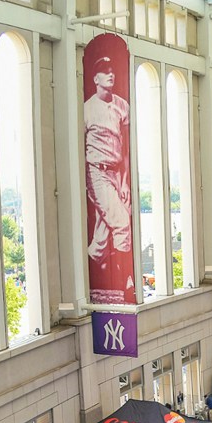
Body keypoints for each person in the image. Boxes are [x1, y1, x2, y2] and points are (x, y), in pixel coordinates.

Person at [83, 53, 133, 299]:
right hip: (97, 173)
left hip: (115, 172)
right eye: (104, 71)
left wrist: (124, 181)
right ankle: (127, 282)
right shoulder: (88, 109)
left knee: (101, 240)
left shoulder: (122, 105)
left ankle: (89, 261)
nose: (111, 74)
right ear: (96, 78)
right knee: (122, 223)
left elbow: (125, 146)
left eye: (112, 69)